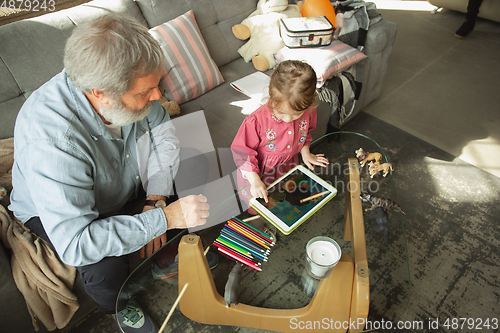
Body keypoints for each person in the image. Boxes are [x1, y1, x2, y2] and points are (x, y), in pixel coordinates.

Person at [9, 13, 209, 333]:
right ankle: (117, 306)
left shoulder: (128, 86)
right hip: (69, 216)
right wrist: (165, 219)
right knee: (105, 266)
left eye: (156, 85)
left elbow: (163, 137)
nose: (157, 97)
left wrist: (155, 200)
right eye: (145, 92)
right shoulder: (51, 141)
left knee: (195, 163)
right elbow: (76, 243)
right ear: (101, 93)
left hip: (122, 178)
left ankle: (162, 255)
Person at [231, 60, 329, 214]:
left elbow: (305, 133)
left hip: (287, 168)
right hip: (259, 174)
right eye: (281, 112)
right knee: (258, 206)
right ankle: (259, 225)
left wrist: (305, 153)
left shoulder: (308, 110)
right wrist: (254, 180)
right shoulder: (255, 121)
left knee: (280, 200)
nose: (289, 120)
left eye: (296, 114)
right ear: (270, 92)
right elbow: (242, 152)